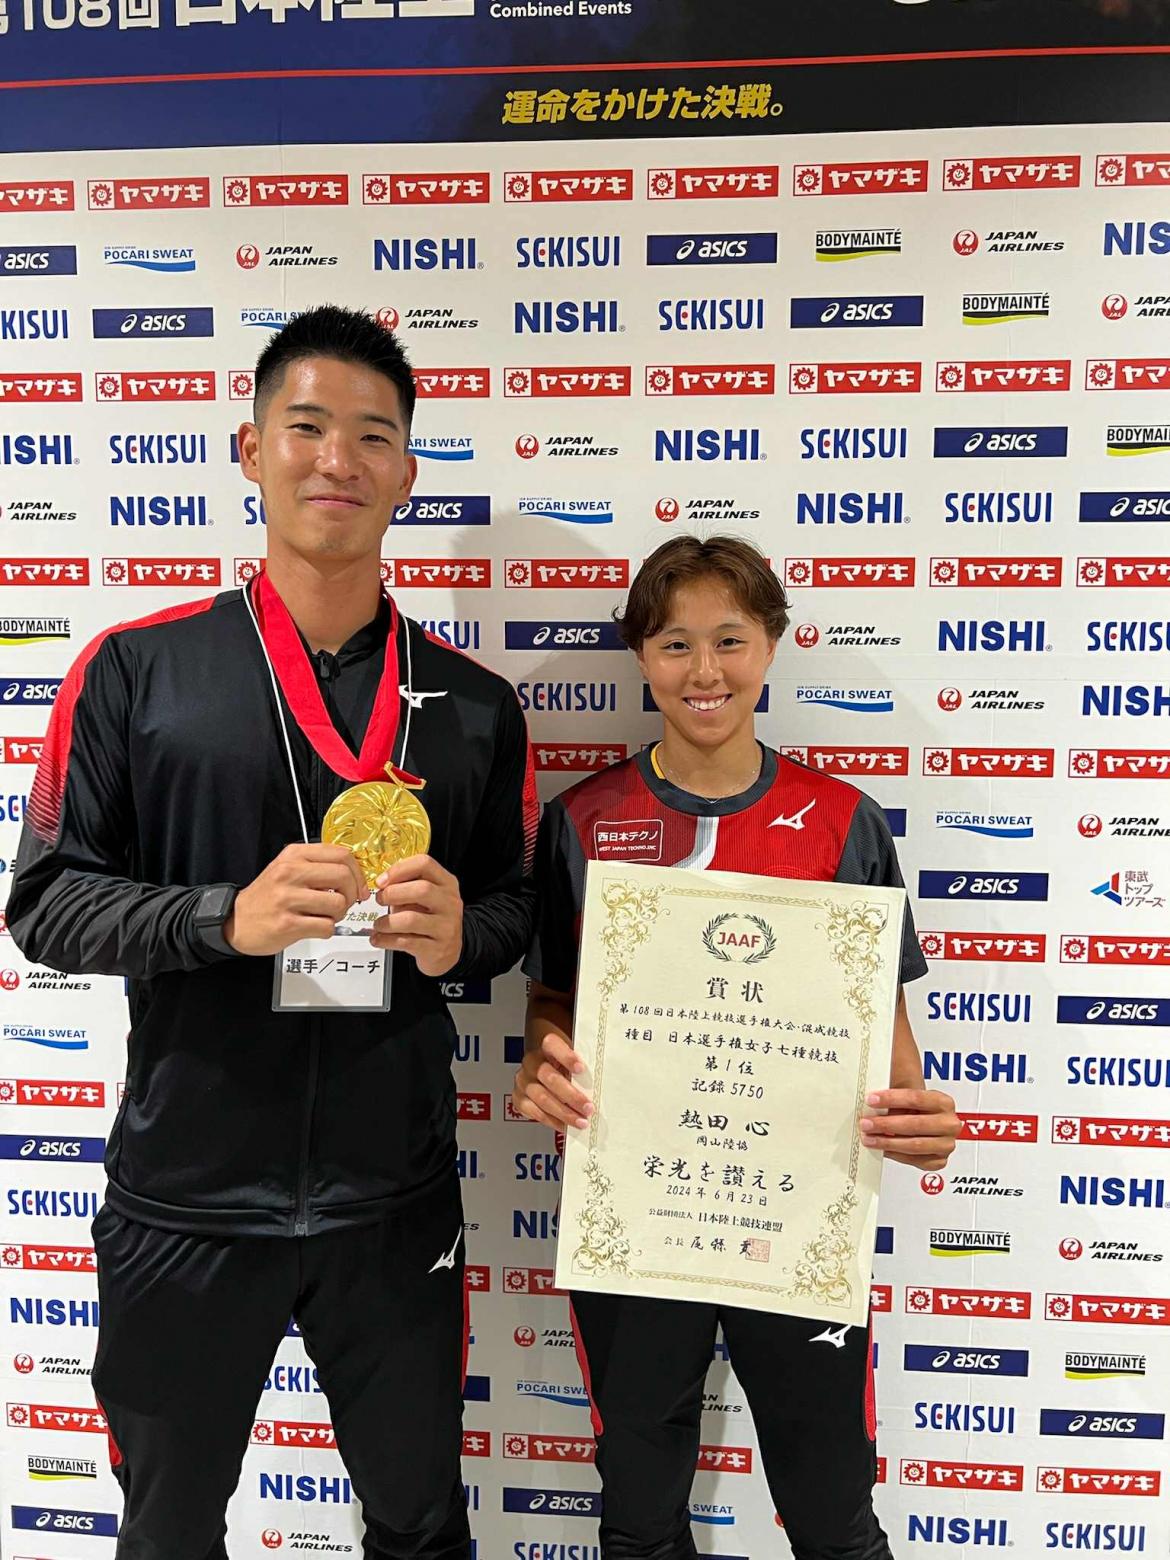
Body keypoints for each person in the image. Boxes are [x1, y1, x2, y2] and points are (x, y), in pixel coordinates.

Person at [7, 305, 537, 1560]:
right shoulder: (135, 671)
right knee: (169, 1530)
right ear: (250, 450)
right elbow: (44, 903)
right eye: (306, 427)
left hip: (392, 1202)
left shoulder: (475, 707)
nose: (337, 459)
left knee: (421, 1528)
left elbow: (516, 911)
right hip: (185, 1199)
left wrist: (460, 938)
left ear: (407, 471)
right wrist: (222, 918)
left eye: (372, 435)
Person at [512, 534, 957, 1560]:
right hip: (642, 1217)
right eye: (675, 644)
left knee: (833, 1511)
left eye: (729, 639)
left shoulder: (843, 821)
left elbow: (887, 1041)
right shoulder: (583, 821)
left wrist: (922, 1119)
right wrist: (543, 1062)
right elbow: (552, 1000)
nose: (703, 670)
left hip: (795, 1219)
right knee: (639, 1515)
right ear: (641, 656)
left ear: (771, 646)